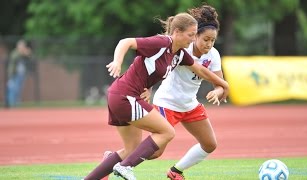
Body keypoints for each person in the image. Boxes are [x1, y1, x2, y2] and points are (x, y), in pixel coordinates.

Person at [84, 12, 229, 180]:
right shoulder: (162, 43)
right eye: (190, 35)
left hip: (122, 96)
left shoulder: (180, 53)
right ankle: (125, 166)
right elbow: (126, 42)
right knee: (167, 132)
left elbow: (200, 70)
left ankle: (99, 172)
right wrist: (117, 61)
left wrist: (223, 85)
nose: (192, 39)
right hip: (125, 96)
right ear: (176, 32)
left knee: (132, 150)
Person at [152, 5, 225, 180]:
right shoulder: (182, 49)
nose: (209, 44)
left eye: (212, 40)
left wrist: (217, 92)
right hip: (167, 103)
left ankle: (175, 171)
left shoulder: (213, 55)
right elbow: (156, 66)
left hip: (189, 105)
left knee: (209, 144)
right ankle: (116, 159)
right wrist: (147, 88)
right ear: (195, 36)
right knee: (155, 152)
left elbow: (220, 84)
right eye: (206, 39)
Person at [6, 39, 33, 107]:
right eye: (21, 46)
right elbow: (13, 61)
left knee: (18, 88)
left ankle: (16, 102)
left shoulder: (23, 54)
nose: (23, 47)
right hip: (14, 73)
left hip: (21, 74)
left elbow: (30, 57)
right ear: (18, 46)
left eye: (23, 46)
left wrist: (28, 53)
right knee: (13, 88)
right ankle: (11, 103)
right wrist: (10, 75)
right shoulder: (15, 53)